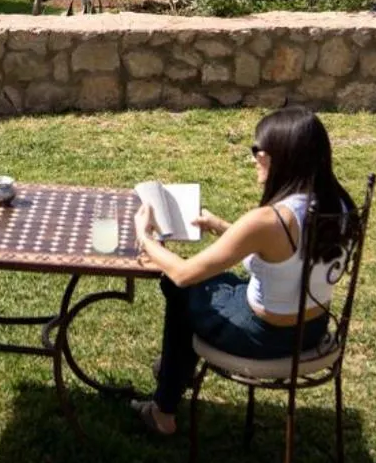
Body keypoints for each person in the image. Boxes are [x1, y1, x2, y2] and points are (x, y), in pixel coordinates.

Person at [131, 105, 357, 435]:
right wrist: (223, 226)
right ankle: (173, 369)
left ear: (282, 156)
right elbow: (283, 256)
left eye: (257, 151)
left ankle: (165, 406)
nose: (253, 159)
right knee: (211, 283)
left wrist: (145, 237)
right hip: (313, 328)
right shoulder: (340, 205)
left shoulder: (270, 220)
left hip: (263, 337)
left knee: (178, 288)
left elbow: (182, 273)